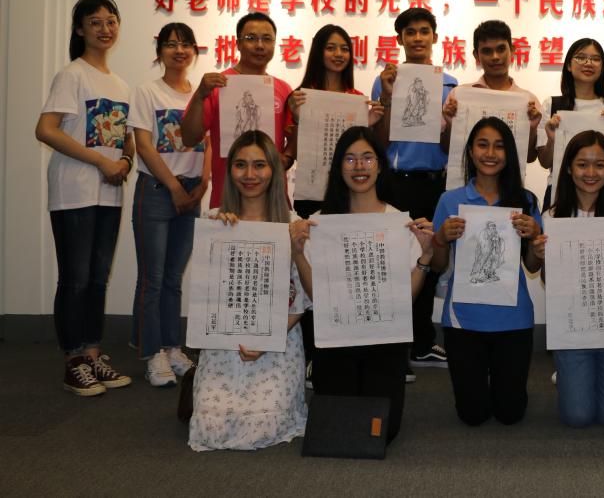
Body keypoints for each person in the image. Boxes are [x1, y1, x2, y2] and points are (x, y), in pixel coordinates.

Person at [294, 126, 434, 443]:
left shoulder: (399, 223)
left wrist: (425, 256)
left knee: (383, 431)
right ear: (338, 167)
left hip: (385, 341)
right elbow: (317, 295)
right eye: (350, 158)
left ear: (380, 165)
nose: (359, 166)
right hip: (336, 340)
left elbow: (407, 298)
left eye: (368, 158)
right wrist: (298, 255)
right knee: (338, 426)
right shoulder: (320, 222)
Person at [35, 0, 134, 396]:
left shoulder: (121, 85)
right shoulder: (72, 75)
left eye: (111, 21)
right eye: (95, 22)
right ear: (80, 30)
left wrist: (124, 161)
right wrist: (100, 161)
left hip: (108, 195)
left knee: (97, 279)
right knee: (75, 279)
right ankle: (73, 361)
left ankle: (93, 355)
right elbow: (46, 129)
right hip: (73, 192)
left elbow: (126, 138)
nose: (105, 29)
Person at [188, 130, 311, 451]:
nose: (250, 174)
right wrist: (219, 237)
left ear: (274, 170)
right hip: (223, 345)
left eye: (259, 165)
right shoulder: (215, 221)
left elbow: (301, 300)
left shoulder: (293, 224)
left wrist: (266, 340)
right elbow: (205, 296)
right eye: (240, 165)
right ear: (230, 171)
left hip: (278, 340)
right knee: (210, 426)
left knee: (264, 424)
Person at [532, 130, 604, 427]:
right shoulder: (553, 217)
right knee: (577, 416)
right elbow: (548, 279)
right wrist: (541, 255)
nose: (591, 173)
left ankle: (592, 373)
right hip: (573, 333)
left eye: (600, 165)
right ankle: (572, 373)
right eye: (582, 164)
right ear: (568, 168)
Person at [430, 117, 543, 426]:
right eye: (482, 145)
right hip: (464, 320)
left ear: (510, 154)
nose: (490, 153)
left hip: (513, 318)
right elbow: (438, 265)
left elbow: (532, 266)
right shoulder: (450, 200)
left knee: (510, 414)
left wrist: (535, 237)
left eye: (499, 146)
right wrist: (440, 239)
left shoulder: (525, 201)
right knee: (473, 415)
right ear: (470, 151)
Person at [373, 8, 459, 369]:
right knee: (396, 262)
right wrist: (388, 96)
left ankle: (422, 342)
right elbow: (379, 141)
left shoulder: (451, 84)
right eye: (411, 32)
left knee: (431, 261)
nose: (418, 38)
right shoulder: (386, 80)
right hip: (397, 183)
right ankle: (394, 346)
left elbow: (452, 147)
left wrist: (450, 121)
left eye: (425, 31)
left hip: (436, 183)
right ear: (400, 39)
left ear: (435, 37)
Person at [129, 22, 211, 386]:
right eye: (171, 44)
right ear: (159, 51)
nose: (179, 51)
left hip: (191, 192)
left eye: (186, 44)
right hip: (157, 191)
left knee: (174, 278)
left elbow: (210, 141)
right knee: (153, 278)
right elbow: (144, 146)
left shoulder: (200, 94)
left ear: (194, 50)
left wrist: (204, 182)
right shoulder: (147, 92)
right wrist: (174, 186)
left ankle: (172, 347)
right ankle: (152, 353)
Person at [180, 12, 295, 209]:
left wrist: (288, 157)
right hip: (228, 199)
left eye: (267, 39)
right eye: (251, 38)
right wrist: (199, 96)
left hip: (272, 200)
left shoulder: (283, 89)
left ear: (275, 44)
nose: (260, 45)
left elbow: (293, 137)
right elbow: (189, 139)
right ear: (238, 44)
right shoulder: (217, 85)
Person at [287, 24, 383, 219]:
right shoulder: (300, 97)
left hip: (349, 190)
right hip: (312, 192)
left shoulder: (357, 98)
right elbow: (294, 153)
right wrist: (298, 118)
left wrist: (368, 123)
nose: (339, 54)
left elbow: (361, 149)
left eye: (344, 49)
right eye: (330, 48)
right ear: (318, 52)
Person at [536, 37, 604, 210]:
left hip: (603, 195)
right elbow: (545, 162)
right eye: (581, 57)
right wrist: (552, 139)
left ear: (602, 67)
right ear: (568, 65)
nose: (588, 63)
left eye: (595, 59)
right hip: (559, 193)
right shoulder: (552, 105)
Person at [443, 20, 542, 163]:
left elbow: (529, 158)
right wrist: (450, 125)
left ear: (512, 50)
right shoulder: (458, 96)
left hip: (510, 177)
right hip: (468, 176)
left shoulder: (528, 101)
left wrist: (531, 129)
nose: (495, 57)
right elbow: (446, 149)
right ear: (476, 55)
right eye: (487, 51)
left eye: (501, 49)